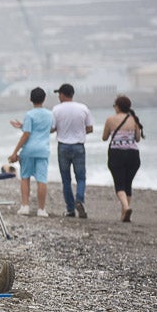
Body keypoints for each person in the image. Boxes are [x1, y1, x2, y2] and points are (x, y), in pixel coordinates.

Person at [51, 83, 95, 218]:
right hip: (78, 146)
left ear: (63, 95)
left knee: (66, 179)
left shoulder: (56, 109)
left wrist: (62, 129)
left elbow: (52, 128)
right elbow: (90, 128)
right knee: (81, 177)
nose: (59, 96)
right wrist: (78, 132)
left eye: (59, 94)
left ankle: (70, 209)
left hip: (63, 146)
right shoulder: (83, 108)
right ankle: (79, 200)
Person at [9, 87, 54, 217]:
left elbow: (27, 134)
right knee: (42, 180)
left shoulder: (29, 115)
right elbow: (48, 129)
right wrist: (23, 126)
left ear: (30, 99)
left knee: (25, 177)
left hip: (28, 150)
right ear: (44, 99)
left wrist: (15, 152)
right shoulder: (49, 114)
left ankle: (25, 206)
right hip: (43, 150)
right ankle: (41, 209)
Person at [103, 95, 144, 223]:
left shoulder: (110, 119)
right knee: (128, 184)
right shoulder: (134, 120)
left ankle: (126, 208)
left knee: (119, 183)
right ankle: (124, 214)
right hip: (133, 154)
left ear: (118, 107)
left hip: (117, 154)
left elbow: (104, 137)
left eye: (114, 105)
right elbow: (137, 139)